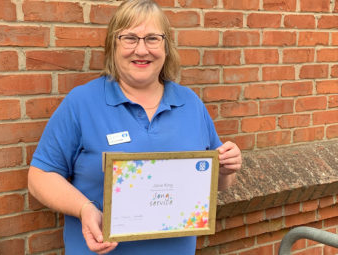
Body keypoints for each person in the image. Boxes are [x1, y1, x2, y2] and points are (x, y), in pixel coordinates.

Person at [28, 0, 242, 254]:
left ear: (166, 46)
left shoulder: (190, 104)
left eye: (152, 38)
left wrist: (227, 168)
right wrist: (84, 208)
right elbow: (39, 177)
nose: (142, 50)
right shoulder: (82, 102)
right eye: (130, 38)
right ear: (113, 45)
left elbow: (217, 181)